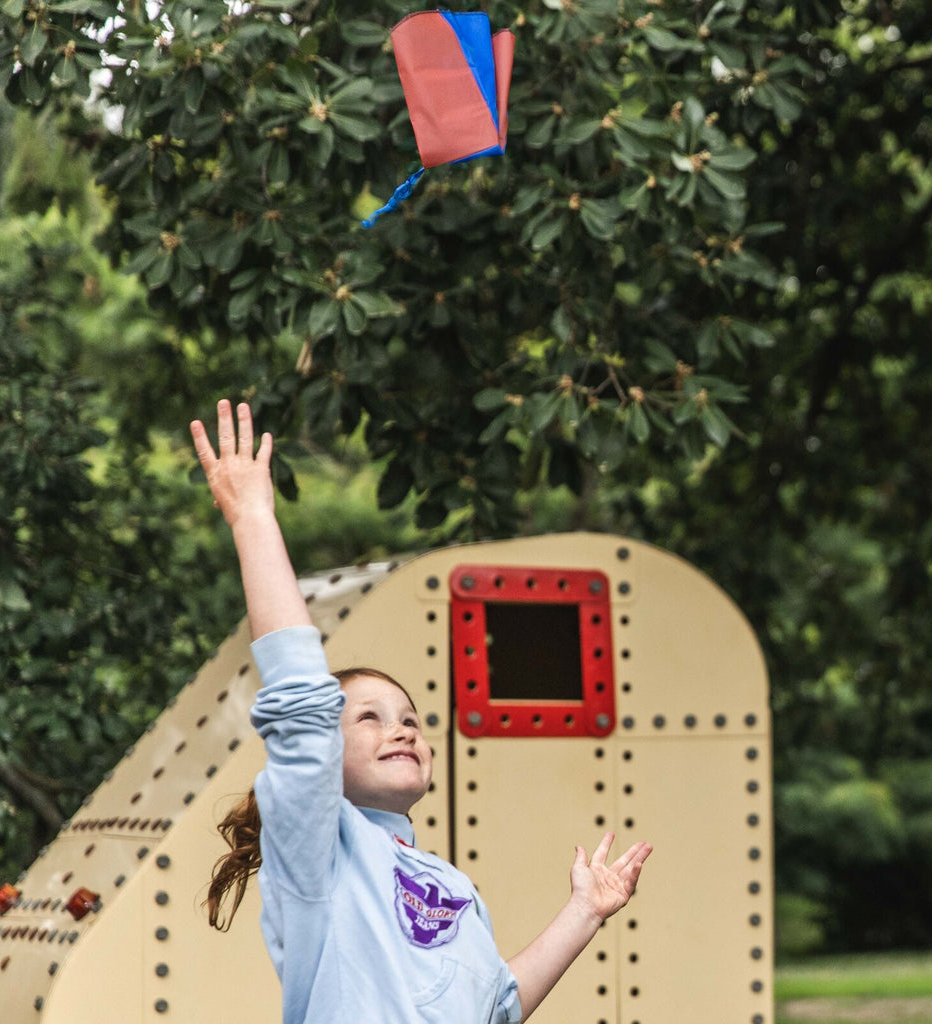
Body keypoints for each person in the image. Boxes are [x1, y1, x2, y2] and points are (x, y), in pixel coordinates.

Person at [191, 399, 652, 1024]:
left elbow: (495, 1008)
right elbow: (301, 701)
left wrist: (584, 912)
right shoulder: (318, 849)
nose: (402, 730)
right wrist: (251, 517)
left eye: (410, 719)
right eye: (369, 718)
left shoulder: (449, 885)